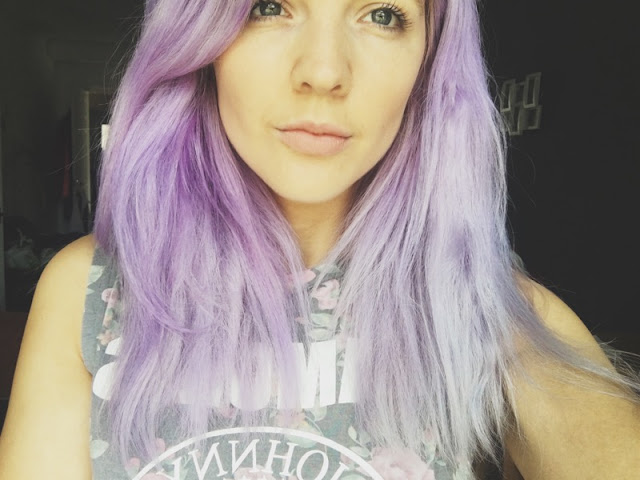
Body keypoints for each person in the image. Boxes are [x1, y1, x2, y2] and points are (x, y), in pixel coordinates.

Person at [1, 0, 640, 478]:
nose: (325, 71)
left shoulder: (485, 312)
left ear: (428, 61)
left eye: (383, 14)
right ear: (201, 42)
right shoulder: (92, 291)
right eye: (268, 6)